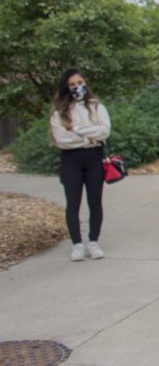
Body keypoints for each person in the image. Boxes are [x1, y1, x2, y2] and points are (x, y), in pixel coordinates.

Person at [50, 68, 111, 261]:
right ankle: (77, 244)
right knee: (73, 203)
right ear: (66, 87)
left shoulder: (96, 106)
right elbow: (61, 139)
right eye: (72, 84)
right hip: (71, 160)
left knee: (95, 202)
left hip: (94, 159)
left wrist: (76, 129)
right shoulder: (59, 112)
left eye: (80, 82)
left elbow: (104, 132)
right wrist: (89, 136)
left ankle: (93, 241)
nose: (78, 87)